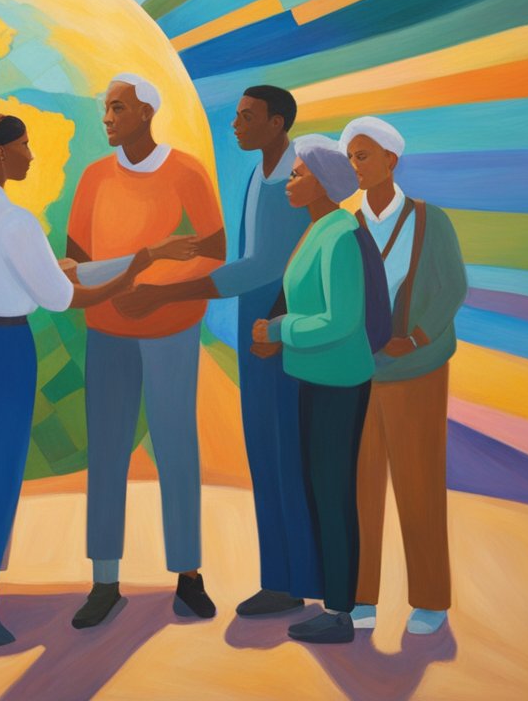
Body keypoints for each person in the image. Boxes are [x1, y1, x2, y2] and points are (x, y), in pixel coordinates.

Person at [0, 110, 150, 648]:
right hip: (6, 349)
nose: (31, 156)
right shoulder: (16, 221)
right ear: (1, 152)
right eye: (24, 145)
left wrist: (49, 270)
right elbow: (61, 298)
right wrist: (128, 274)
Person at [114, 86, 320, 616]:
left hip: (280, 323)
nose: (236, 125)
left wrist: (167, 293)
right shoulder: (259, 174)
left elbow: (263, 266)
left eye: (247, 117)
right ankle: (281, 579)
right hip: (256, 322)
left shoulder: (296, 181)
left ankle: (302, 577)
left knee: (287, 453)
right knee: (264, 451)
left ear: (277, 124)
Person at [67, 74, 226, 628]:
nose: (108, 118)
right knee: (107, 450)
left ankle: (188, 575)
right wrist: (130, 277)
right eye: (106, 108)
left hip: (172, 331)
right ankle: (104, 582)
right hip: (106, 332)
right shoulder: (93, 177)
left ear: (146, 113)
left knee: (176, 446)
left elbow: (214, 252)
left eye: (118, 108)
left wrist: (156, 292)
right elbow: (75, 263)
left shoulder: (186, 172)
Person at [341, 117, 467, 636]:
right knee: (359, 486)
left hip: (418, 370)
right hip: (361, 373)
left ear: (391, 160)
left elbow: (452, 286)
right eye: (350, 158)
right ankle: (360, 597)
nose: (355, 166)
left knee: (420, 484)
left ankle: (431, 599)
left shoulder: (429, 219)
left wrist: (415, 338)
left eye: (364, 155)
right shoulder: (348, 225)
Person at [252, 135, 374, 645]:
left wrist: (280, 330)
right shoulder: (318, 228)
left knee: (333, 494)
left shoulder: (340, 235)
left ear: (322, 183)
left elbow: (341, 320)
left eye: (299, 173)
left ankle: (340, 612)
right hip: (316, 377)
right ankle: (334, 602)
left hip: (338, 383)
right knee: (321, 490)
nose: (289, 180)